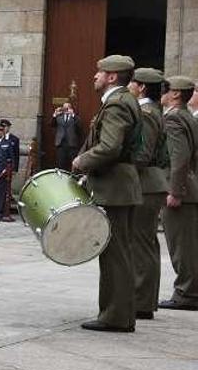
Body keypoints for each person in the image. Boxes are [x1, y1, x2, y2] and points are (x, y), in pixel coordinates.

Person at [71, 55, 142, 333]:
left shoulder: (116, 104)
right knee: (117, 252)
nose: (95, 76)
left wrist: (82, 161)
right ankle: (117, 313)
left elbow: (111, 147)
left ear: (112, 77)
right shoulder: (121, 101)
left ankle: (116, 316)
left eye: (99, 72)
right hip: (117, 185)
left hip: (115, 188)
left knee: (115, 254)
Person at [126, 68, 169, 320]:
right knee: (146, 243)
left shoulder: (147, 113)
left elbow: (143, 153)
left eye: (132, 82)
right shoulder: (152, 111)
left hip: (146, 184)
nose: (129, 86)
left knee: (140, 244)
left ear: (141, 87)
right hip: (151, 183)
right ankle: (144, 300)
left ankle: (140, 301)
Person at [158, 75, 198, 312]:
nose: (161, 93)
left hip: (182, 191)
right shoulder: (187, 117)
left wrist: (175, 190)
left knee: (181, 245)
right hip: (191, 189)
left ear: (175, 94)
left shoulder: (173, 119)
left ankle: (187, 292)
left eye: (166, 89)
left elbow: (179, 159)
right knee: (189, 244)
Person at [52, 102, 82, 170]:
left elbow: (79, 126)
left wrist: (73, 115)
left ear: (70, 108)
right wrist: (54, 115)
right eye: (64, 108)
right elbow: (52, 124)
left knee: (72, 165)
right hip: (61, 144)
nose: (66, 110)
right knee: (60, 164)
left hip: (71, 144)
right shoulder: (59, 116)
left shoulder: (74, 117)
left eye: (67, 108)